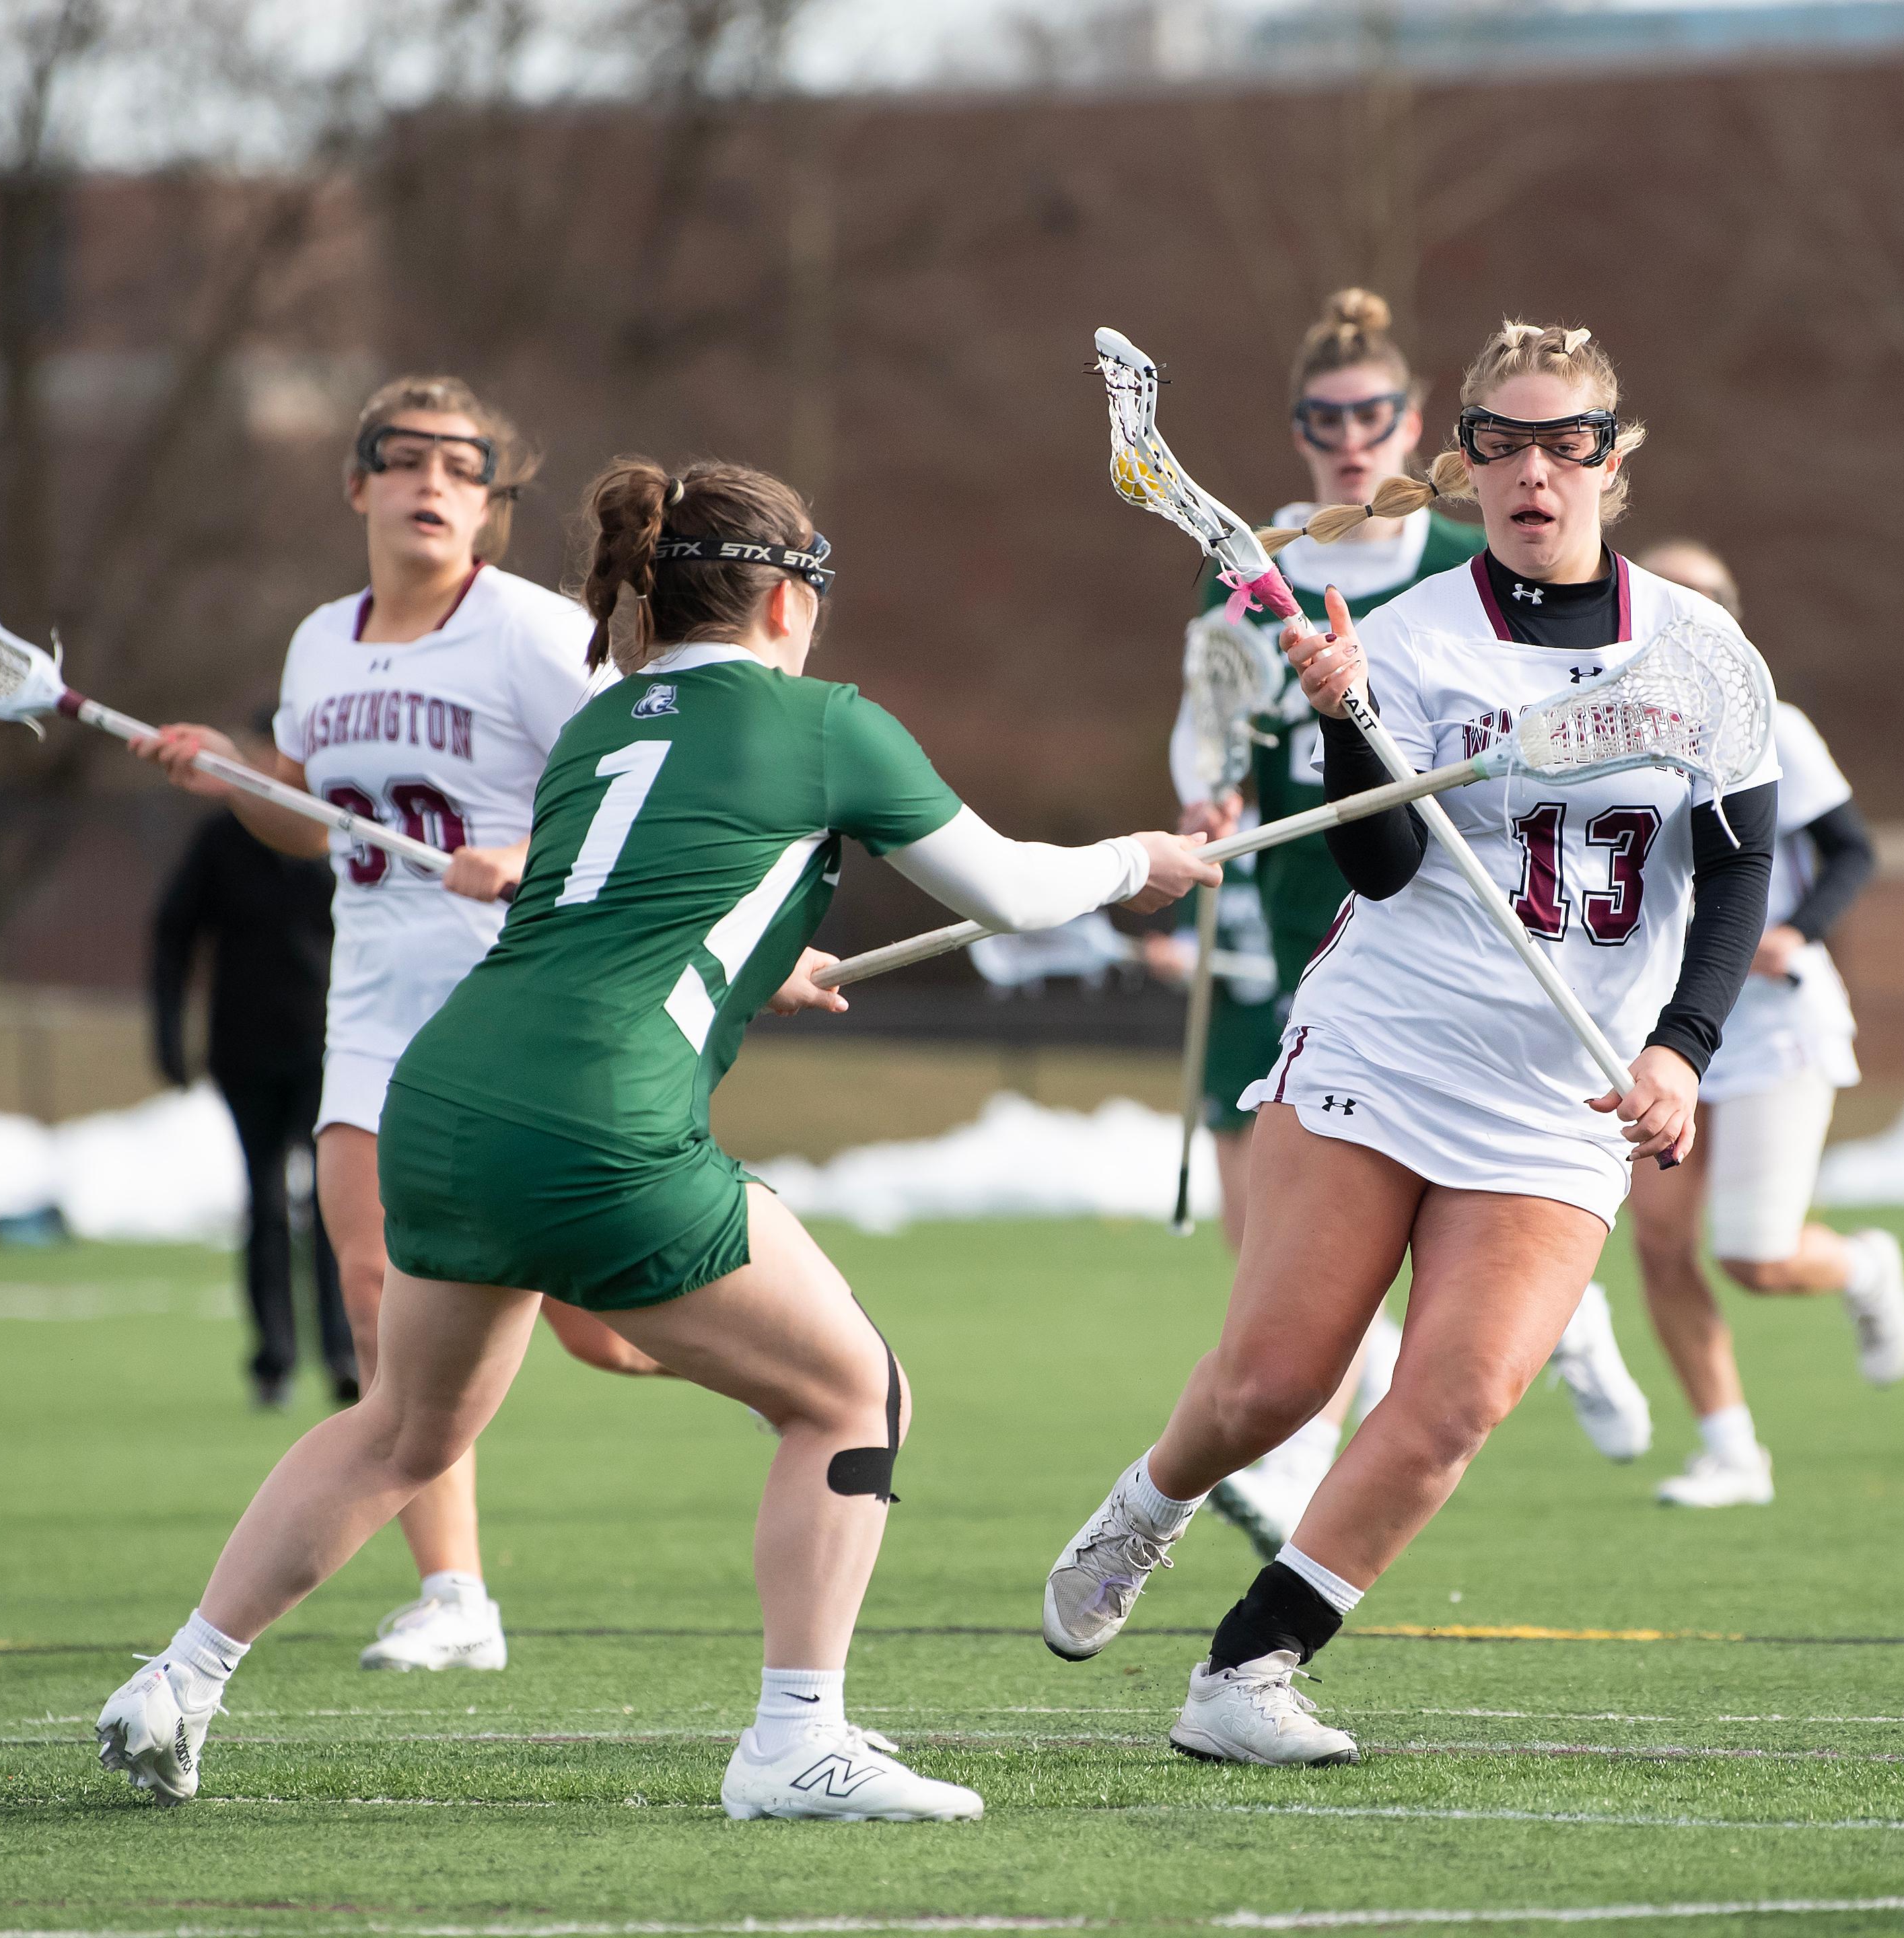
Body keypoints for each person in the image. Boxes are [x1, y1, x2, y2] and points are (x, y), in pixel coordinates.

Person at [94, 455, 1220, 1820]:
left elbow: (630, 901)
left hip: (446, 1098)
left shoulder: (605, 720)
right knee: (852, 1396)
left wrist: (764, 968)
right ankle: (797, 1739)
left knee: (401, 1426)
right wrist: (1137, 861)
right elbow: (1017, 891)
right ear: (790, 601)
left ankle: (181, 1677)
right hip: (597, 1121)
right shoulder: (826, 723)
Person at [1042, 320, 1782, 1765]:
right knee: (1275, 1381)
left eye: (1566, 442)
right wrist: (1346, 725)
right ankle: (1149, 1506)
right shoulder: (1415, 637)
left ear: (1613, 460)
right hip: (1388, 1045)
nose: (1532, 471)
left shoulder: (1703, 654)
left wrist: (1685, 1046)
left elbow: (1741, 868)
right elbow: (1378, 871)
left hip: (1562, 1090)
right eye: (1499, 443)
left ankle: (1245, 1677)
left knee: (1455, 1401)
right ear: (1467, 463)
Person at [131, 375, 661, 1676]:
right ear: (359, 483)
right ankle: (456, 1598)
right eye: (405, 457)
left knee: (601, 1327)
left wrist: (523, 848)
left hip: (526, 1003)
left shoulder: (533, 634)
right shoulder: (321, 643)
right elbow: (310, 818)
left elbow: (638, 789)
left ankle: (818, 1388)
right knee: (379, 1297)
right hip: (374, 1014)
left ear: (490, 502)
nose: (433, 482)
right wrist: (242, 776)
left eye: (461, 466)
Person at [1161, 289, 1652, 1563]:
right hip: (1298, 910)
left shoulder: (1464, 571)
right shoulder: (1254, 581)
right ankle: (1302, 1440)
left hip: (1463, 938)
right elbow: (1210, 737)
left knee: (1456, 1223)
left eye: (1372, 412)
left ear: (1420, 425)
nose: (1349, 434)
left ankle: (1561, 1329)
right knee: (1277, 1255)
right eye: (1324, 416)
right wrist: (1205, 781)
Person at [1621, 542, 1904, 1511]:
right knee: (1660, 1243)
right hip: (1665, 1026)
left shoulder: (1772, 724)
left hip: (1772, 1026)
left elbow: (1851, 849)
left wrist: (1796, 932)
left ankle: (1865, 1264)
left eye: (1701, 601)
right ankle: (1731, 1451)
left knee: (1755, 1255)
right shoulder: (1610, 723)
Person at [150, 713, 358, 1412]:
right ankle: (273, 1359)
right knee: (265, 1202)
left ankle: (344, 1352)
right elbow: (173, 935)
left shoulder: (338, 835)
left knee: (335, 1203)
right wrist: (168, 1035)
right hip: (246, 1048)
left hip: (333, 1047)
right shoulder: (219, 842)